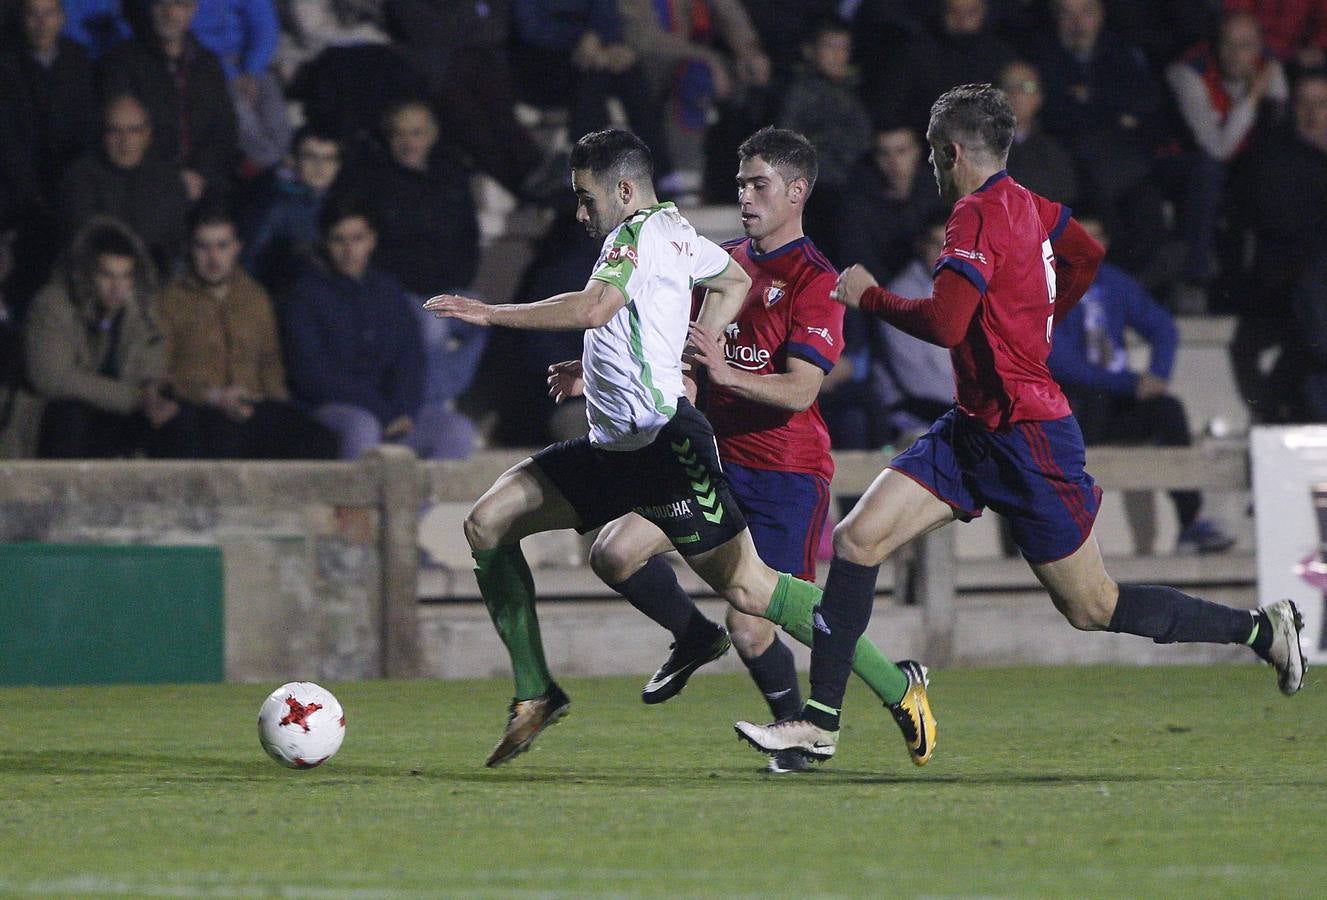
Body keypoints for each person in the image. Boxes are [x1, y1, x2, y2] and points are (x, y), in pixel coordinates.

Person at [735, 84, 1306, 768]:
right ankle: (819, 721)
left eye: (930, 153)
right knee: (856, 540)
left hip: (1028, 435)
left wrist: (871, 298)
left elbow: (945, 324)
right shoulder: (1032, 206)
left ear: (950, 151)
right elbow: (1086, 256)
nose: (930, 167)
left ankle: (1260, 628)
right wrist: (1030, 321)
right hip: (973, 425)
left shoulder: (973, 215)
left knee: (1092, 605)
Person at [426, 129, 932, 768]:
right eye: (741, 183)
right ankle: (540, 691)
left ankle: (891, 688)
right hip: (627, 445)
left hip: (717, 456)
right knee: (498, 526)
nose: (578, 215)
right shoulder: (688, 238)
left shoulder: (656, 240)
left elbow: (598, 309)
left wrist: (486, 313)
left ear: (624, 190)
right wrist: (602, 372)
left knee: (752, 601)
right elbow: (702, 301)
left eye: (586, 200)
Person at [584, 127, 848, 774]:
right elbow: (680, 356)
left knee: (754, 624)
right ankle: (691, 636)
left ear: (796, 192)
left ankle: (834, 712)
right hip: (715, 462)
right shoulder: (716, 261)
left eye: (758, 185)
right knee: (614, 552)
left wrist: (727, 376)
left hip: (786, 472)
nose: (745, 197)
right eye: (739, 185)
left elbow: (800, 390)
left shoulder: (816, 280)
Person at [1047, 213, 1235, 555]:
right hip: (1071, 409)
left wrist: (1157, 375)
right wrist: (1133, 384)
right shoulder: (1044, 289)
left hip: (1113, 400)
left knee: (1168, 410)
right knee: (1089, 397)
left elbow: (1164, 328)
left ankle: (1191, 522)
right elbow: (1062, 364)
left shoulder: (1113, 283)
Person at [280, 196, 474, 460]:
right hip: (334, 408)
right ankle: (354, 502)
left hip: (393, 409)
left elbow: (409, 356)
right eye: (339, 240)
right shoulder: (304, 295)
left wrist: (403, 408)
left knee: (456, 431)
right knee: (362, 428)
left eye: (357, 239)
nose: (349, 250)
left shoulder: (387, 290)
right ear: (326, 242)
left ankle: (415, 504)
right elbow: (314, 373)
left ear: (371, 240)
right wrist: (382, 411)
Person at [156, 202, 337, 458]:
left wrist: (275, 403)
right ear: (190, 249)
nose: (213, 258)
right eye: (203, 246)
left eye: (222, 246)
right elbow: (160, 370)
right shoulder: (169, 300)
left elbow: (270, 361)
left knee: (321, 441)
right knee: (217, 437)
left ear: (236, 248)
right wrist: (213, 396)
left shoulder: (254, 296)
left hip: (254, 405)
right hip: (200, 408)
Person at [24, 215, 202, 457]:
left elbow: (149, 360)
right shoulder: (53, 306)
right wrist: (133, 397)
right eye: (107, 275)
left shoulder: (136, 307)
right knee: (71, 414)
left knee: (179, 418)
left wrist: (152, 391)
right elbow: (51, 378)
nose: (118, 287)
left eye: (126, 276)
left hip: (118, 415)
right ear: (86, 274)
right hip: (61, 419)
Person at [1165, 11, 1287, 307]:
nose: (1236, 55)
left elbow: (1282, 129)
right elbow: (1217, 149)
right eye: (1228, 45)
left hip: (1241, 163)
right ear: (1215, 46)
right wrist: (1254, 97)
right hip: (1183, 163)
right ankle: (1194, 278)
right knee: (1209, 174)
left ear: (1259, 47)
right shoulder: (1188, 73)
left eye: (1246, 46)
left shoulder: (1270, 68)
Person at [98, 0, 239, 202]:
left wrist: (200, 174)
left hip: (204, 184)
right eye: (161, 4)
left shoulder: (208, 64)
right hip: (142, 185)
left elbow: (225, 129)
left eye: (179, 4)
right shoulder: (120, 63)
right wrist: (171, 179)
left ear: (192, 9)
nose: (170, 13)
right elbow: (119, 134)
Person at [59, 93, 189, 273]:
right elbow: (85, 238)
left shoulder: (168, 179)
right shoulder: (81, 178)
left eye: (133, 130)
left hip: (157, 277)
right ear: (104, 134)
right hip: (98, 276)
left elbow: (175, 241)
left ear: (147, 134)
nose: (124, 140)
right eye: (115, 130)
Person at [240, 124, 342, 295]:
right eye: (311, 157)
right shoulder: (275, 206)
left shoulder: (344, 202)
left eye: (329, 158)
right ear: (293, 160)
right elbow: (250, 261)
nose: (320, 166)